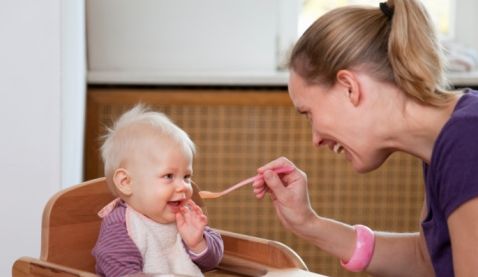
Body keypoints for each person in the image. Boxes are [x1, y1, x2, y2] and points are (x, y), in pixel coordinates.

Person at [252, 1, 478, 276]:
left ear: (349, 87)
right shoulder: (448, 141)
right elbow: (427, 259)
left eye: (309, 114)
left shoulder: (468, 142)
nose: (316, 139)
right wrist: (308, 223)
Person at [92, 105, 224, 277]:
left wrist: (197, 243)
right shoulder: (122, 225)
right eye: (169, 176)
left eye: (186, 177)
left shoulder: (183, 215)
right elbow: (120, 271)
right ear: (126, 182)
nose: (182, 186)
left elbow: (212, 262)